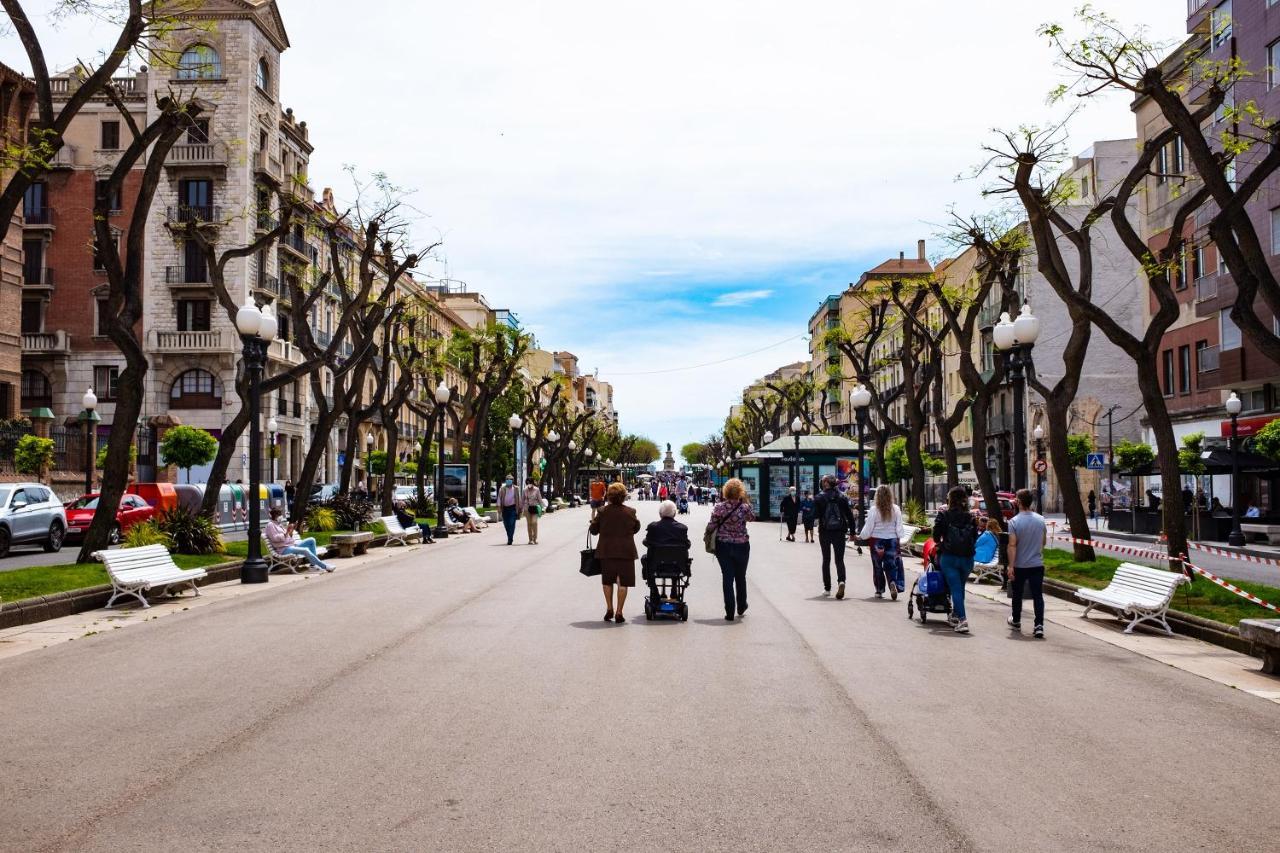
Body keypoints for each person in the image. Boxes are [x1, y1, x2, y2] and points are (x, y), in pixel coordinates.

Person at [589, 482, 640, 623]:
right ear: (624, 496)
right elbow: (636, 528)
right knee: (622, 582)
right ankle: (619, 611)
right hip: (626, 551)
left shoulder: (602, 511)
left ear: (609, 497)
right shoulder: (630, 512)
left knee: (607, 581)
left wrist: (594, 522)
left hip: (606, 551)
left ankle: (609, 608)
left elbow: (593, 531)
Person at [707, 478, 754, 621]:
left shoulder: (719, 507)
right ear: (740, 491)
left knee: (727, 577)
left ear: (725, 491)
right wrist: (745, 501)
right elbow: (752, 518)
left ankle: (729, 611)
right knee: (741, 576)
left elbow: (710, 526)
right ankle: (741, 606)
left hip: (723, 545)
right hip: (742, 545)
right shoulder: (745, 507)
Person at [933, 486, 978, 634]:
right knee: (960, 587)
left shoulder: (944, 515)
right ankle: (956, 615)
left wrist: (940, 544)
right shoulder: (971, 517)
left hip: (949, 557)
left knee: (955, 588)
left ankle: (963, 619)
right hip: (967, 558)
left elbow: (935, 534)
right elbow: (975, 537)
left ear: (950, 499)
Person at [1007, 488, 1047, 638]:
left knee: (1018, 593)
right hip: (1037, 564)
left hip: (1020, 564)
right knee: (1038, 595)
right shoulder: (1040, 519)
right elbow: (1043, 541)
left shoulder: (1014, 522)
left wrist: (1011, 566)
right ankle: (1039, 625)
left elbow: (1012, 545)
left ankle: (1016, 620)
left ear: (1018, 502)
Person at [858, 484, 906, 600]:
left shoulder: (874, 510)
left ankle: (879, 590)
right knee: (891, 564)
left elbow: (868, 528)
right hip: (892, 540)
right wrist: (899, 538)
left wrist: (861, 536)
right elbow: (899, 528)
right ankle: (892, 582)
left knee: (877, 566)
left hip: (877, 541)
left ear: (877, 496)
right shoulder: (896, 509)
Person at [814, 476, 856, 598]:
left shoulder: (820, 497)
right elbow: (850, 516)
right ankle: (841, 581)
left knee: (826, 560)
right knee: (839, 559)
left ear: (826, 483)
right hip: (839, 532)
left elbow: (815, 515)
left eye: (822, 481)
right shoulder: (842, 497)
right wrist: (852, 532)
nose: (821, 483)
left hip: (825, 531)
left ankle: (827, 588)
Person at [642, 499, 690, 604]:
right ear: (674, 513)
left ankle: (654, 590)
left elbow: (647, 542)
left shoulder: (653, 527)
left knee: (645, 559)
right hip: (677, 565)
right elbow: (687, 544)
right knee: (676, 557)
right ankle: (674, 588)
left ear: (660, 514)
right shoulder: (682, 528)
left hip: (656, 564)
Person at [265, 507, 334, 572]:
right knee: (305, 550)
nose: (281, 516)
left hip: (291, 545)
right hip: (283, 550)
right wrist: (286, 532)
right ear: (275, 515)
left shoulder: (278, 524)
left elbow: (287, 537)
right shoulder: (270, 525)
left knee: (311, 540)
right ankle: (324, 566)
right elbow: (275, 538)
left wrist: (291, 530)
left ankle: (313, 566)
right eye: (280, 514)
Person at [497, 474, 521, 545]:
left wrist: (520, 507)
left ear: (512, 481)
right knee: (506, 524)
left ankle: (510, 538)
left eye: (510, 479)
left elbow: (519, 498)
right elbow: (499, 498)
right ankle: (509, 536)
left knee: (511, 523)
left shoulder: (516, 488)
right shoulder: (502, 488)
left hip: (513, 508)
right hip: (505, 508)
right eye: (507, 479)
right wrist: (498, 507)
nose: (508, 480)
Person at [523, 479, 543, 544]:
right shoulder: (524, 490)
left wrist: (542, 507)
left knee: (534, 522)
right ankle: (530, 539)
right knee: (529, 524)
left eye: (530, 483)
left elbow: (540, 499)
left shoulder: (536, 489)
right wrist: (520, 508)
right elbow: (522, 500)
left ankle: (535, 538)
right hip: (527, 508)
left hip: (535, 508)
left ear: (532, 483)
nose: (529, 484)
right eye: (527, 483)